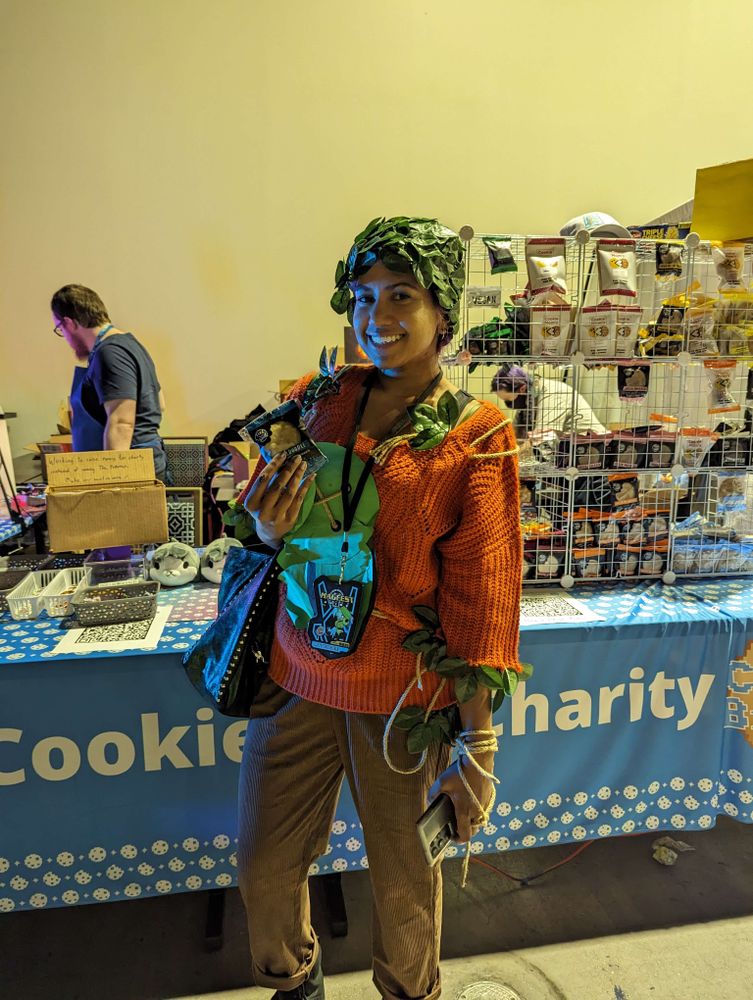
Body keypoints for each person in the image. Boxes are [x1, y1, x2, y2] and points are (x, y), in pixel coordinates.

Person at [236, 217, 522, 1000]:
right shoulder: (316, 401)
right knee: (263, 867)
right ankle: (297, 984)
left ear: (441, 312)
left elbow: (483, 601)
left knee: (402, 889)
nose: (376, 314)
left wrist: (479, 747)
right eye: (362, 296)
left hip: (402, 698)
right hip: (297, 676)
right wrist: (265, 528)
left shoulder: (477, 434)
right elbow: (261, 530)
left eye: (401, 294)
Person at [50, 284, 169, 482]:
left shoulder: (110, 352)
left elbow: (121, 422)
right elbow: (160, 403)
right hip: (142, 462)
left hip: (132, 470)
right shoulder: (130, 345)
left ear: (69, 323)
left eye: (60, 329)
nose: (66, 338)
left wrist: (113, 483)